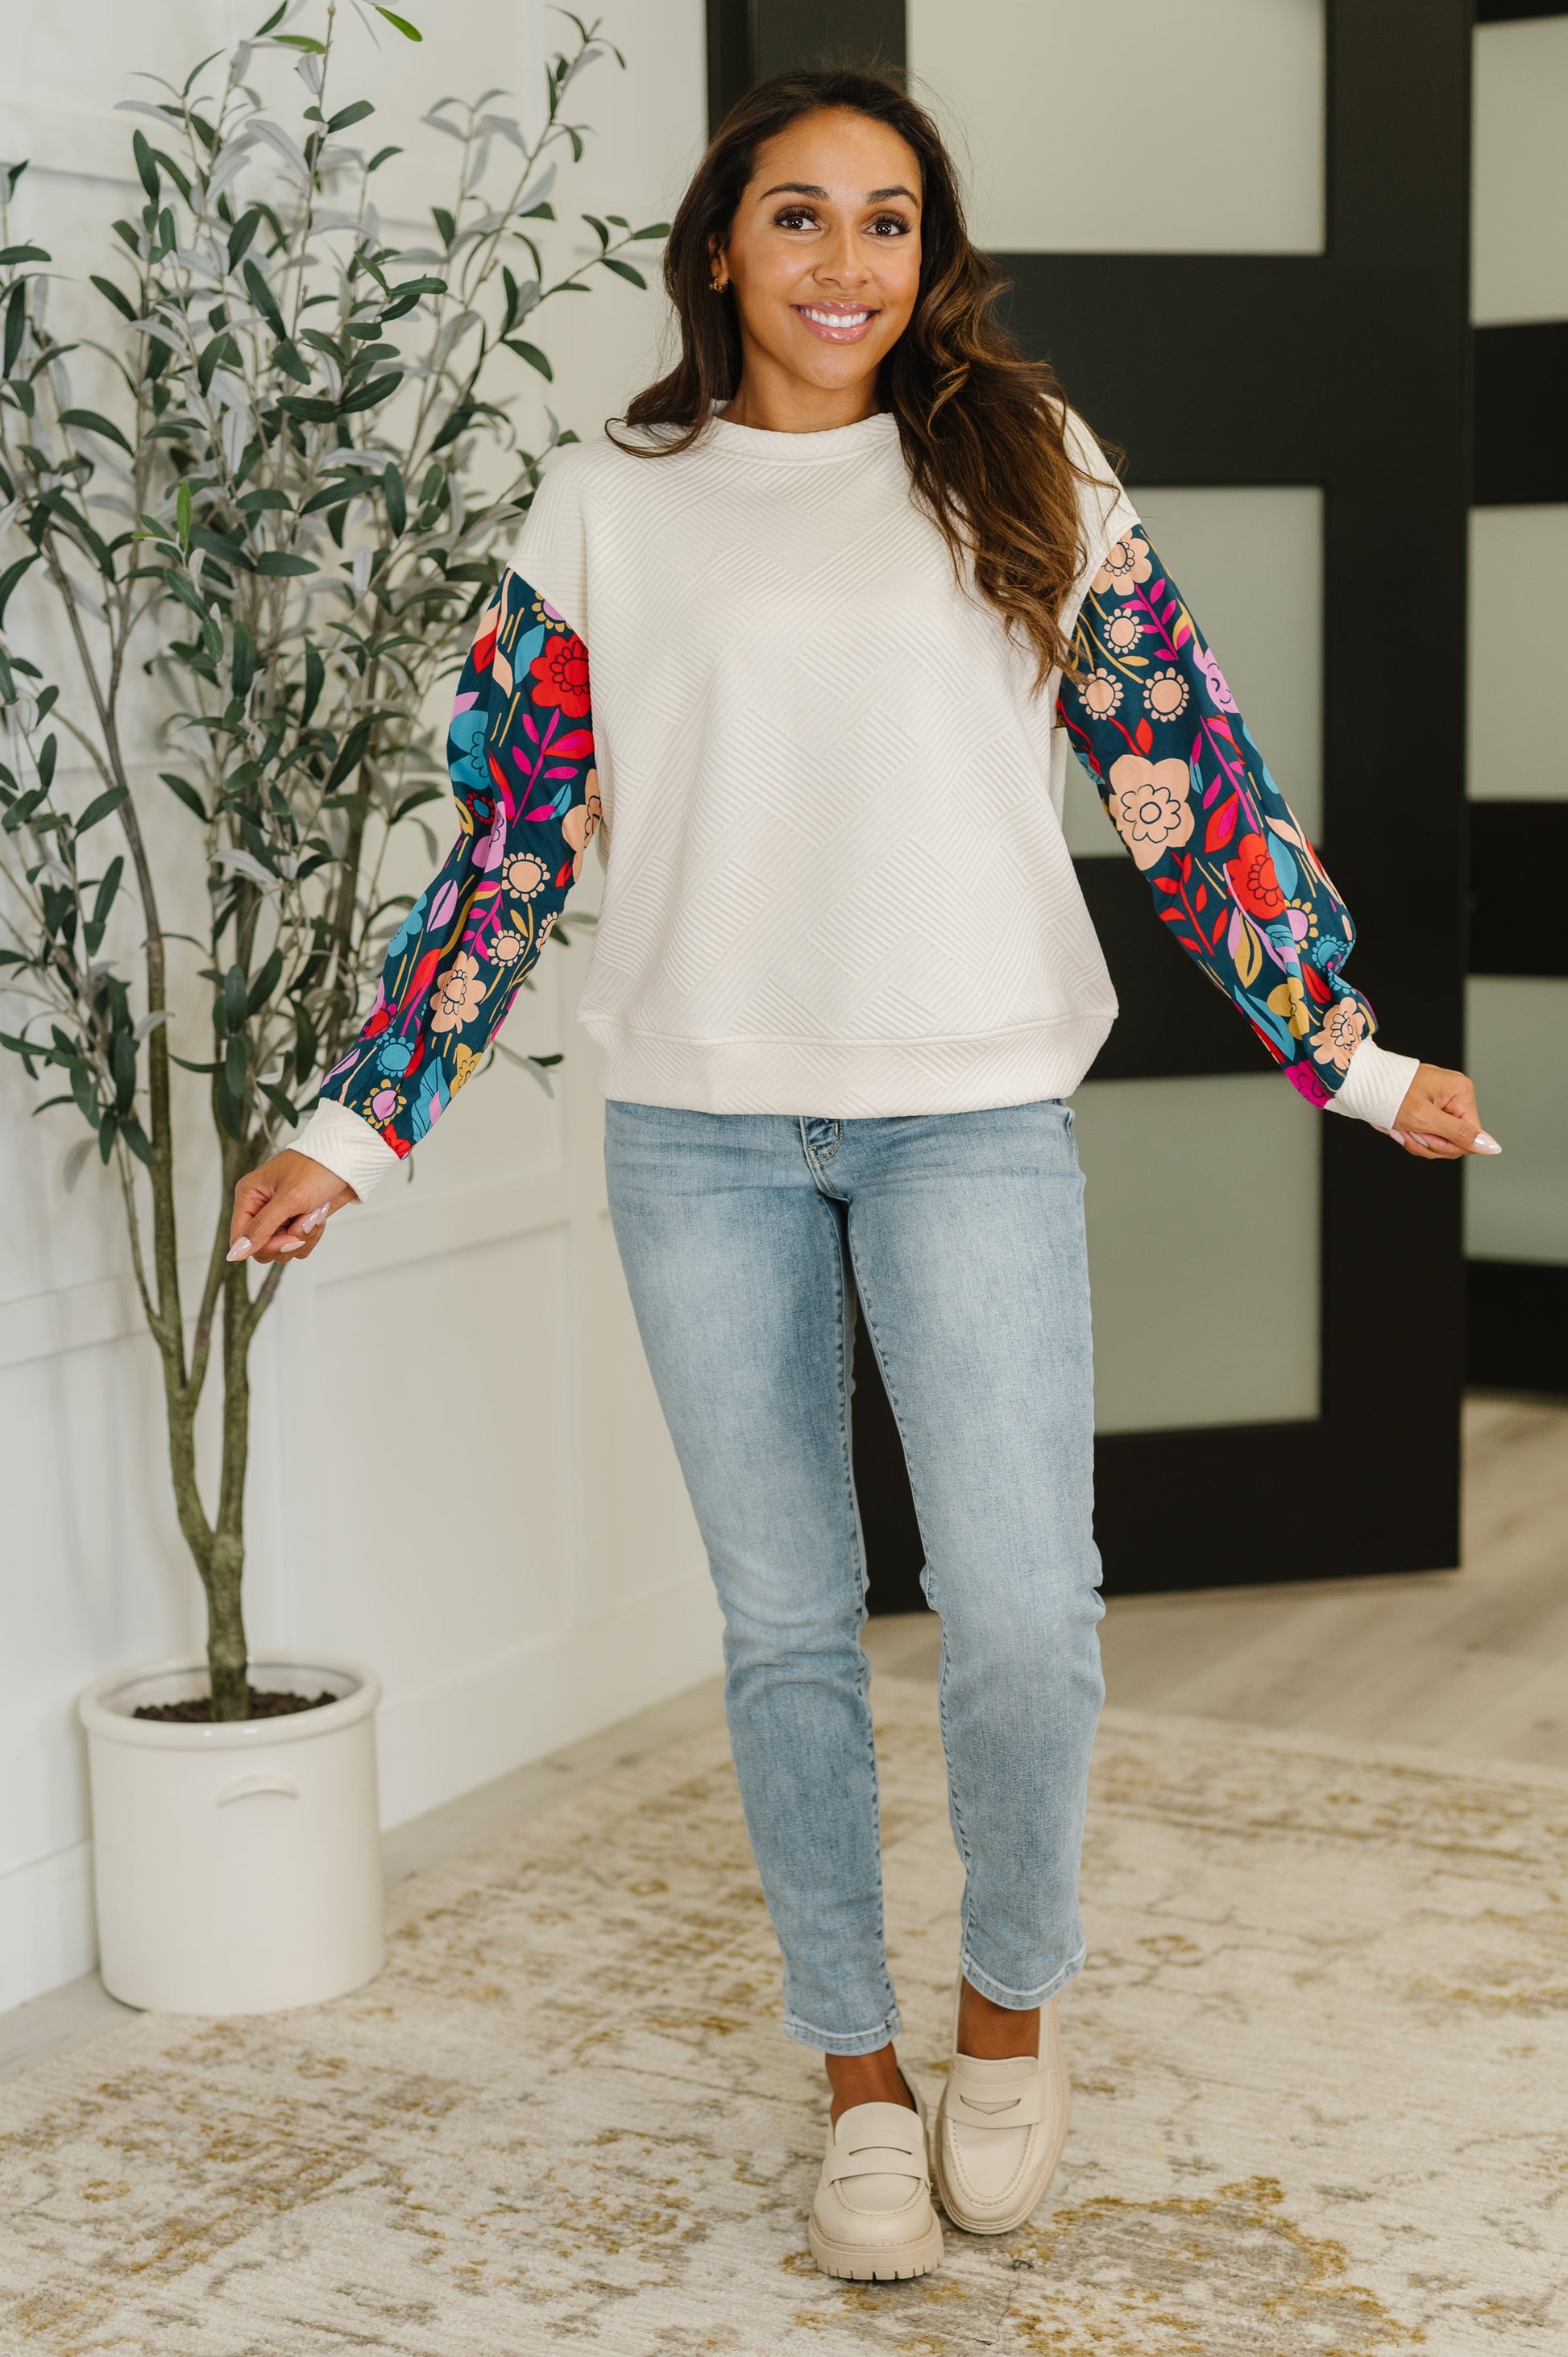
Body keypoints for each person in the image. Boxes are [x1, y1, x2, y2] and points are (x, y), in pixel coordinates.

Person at [229, 68, 1498, 2283]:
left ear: (931, 253)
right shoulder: (604, 502)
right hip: (699, 1133)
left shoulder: (1022, 461)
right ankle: (855, 2075)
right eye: (797, 215)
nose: (843, 261)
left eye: (887, 219)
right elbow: (508, 844)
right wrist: (358, 1121)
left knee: (1020, 1611)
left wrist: (1347, 1049)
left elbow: (1186, 777)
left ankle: (1006, 2014)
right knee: (788, 1628)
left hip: (970, 1114)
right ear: (720, 244)